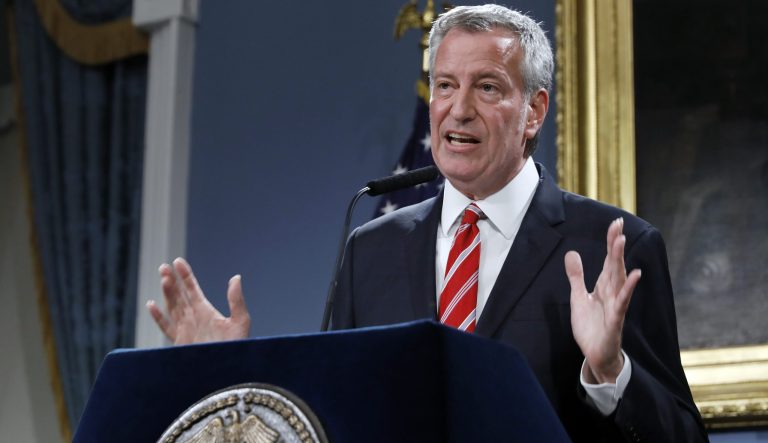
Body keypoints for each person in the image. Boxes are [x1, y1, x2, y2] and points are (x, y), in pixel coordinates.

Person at [147, 5, 707, 442]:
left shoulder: (616, 246)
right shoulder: (372, 247)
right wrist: (227, 375)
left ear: (534, 111)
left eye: (487, 87)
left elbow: (681, 437)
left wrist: (612, 372)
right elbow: (327, 414)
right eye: (444, 84)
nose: (457, 109)